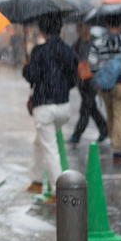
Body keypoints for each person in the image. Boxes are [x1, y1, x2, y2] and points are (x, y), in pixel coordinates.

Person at [22, 15, 78, 193]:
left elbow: (32, 76)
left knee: (50, 149)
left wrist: (26, 67)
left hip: (44, 106)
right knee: (40, 142)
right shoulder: (69, 51)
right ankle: (37, 180)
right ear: (60, 28)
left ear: (43, 31)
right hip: (63, 107)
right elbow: (73, 80)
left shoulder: (39, 51)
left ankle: (58, 191)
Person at [88, 15, 121, 165]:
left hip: (105, 86)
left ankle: (114, 142)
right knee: (120, 116)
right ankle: (117, 149)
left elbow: (92, 63)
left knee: (110, 115)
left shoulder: (99, 42)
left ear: (106, 23)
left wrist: (101, 74)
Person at [68, 22, 108, 145]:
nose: (79, 28)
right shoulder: (77, 44)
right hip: (81, 81)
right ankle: (104, 129)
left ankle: (77, 134)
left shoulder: (96, 42)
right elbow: (73, 61)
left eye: (81, 25)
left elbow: (102, 60)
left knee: (86, 107)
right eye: (78, 26)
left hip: (93, 81)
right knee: (91, 107)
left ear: (88, 27)